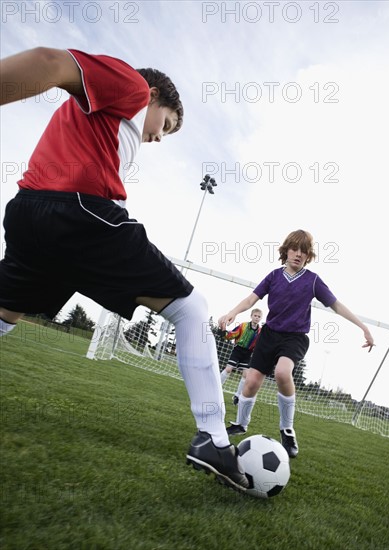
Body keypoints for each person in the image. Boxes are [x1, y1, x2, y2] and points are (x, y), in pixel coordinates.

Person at [0, 47, 248, 492]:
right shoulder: (132, 85)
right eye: (166, 124)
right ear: (153, 96)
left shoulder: (100, 122)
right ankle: (212, 438)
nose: (159, 137)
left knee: (5, 312)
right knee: (191, 308)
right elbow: (50, 62)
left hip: (28, 214)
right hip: (80, 214)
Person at [218, 229, 374, 458]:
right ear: (286, 250)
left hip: (295, 338)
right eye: (294, 249)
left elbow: (337, 305)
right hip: (269, 335)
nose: (298, 254)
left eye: (304, 251)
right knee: (250, 382)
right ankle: (241, 424)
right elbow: (252, 299)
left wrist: (364, 327)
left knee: (282, 372)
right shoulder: (273, 276)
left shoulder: (312, 281)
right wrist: (232, 312)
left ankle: (287, 430)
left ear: (309, 255)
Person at [219, 309, 262, 405]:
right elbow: (232, 334)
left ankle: (237, 396)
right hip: (238, 350)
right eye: (255, 315)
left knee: (246, 375)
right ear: (251, 316)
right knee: (229, 369)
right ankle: (217, 388)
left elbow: (260, 344)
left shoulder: (260, 332)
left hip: (248, 353)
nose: (256, 318)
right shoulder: (243, 325)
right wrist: (224, 332)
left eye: (259, 317)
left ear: (260, 318)